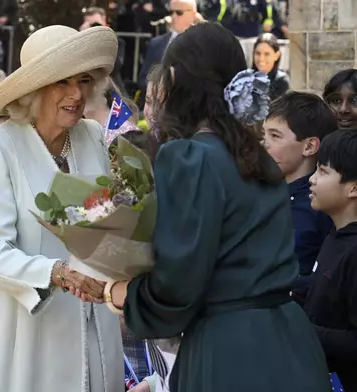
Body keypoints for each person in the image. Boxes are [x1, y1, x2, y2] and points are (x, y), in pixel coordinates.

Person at [107, 22, 330, 392]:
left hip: (229, 353)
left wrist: (118, 293)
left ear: (174, 78)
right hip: (291, 342)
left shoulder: (189, 157)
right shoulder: (257, 156)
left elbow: (177, 287)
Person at [0, 25, 124, 392]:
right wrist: (58, 274)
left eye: (83, 81)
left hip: (92, 322)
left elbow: (110, 224)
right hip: (23, 331)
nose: (76, 94)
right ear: (34, 90)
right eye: (62, 83)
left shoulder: (94, 135)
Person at [262, 92, 336, 301]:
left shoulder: (319, 206)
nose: (264, 144)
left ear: (309, 146)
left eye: (275, 136)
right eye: (264, 134)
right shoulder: (265, 191)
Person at [305, 129, 357, 392]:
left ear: (353, 188)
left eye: (323, 172)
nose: (312, 180)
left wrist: (304, 331)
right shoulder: (335, 234)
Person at [137, 0, 198, 103]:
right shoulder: (155, 43)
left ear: (193, 14)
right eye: (171, 12)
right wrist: (156, 90)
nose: (173, 17)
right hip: (157, 106)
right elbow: (143, 78)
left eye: (178, 13)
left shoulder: (202, 45)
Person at [252, 33, 289, 100]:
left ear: (277, 55)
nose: (261, 59)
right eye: (258, 53)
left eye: (267, 54)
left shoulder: (282, 81)